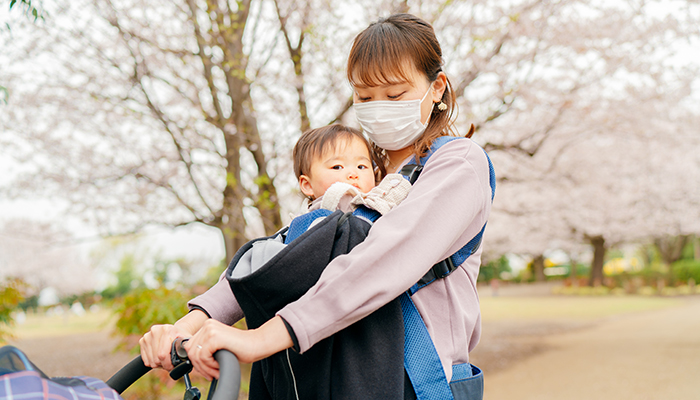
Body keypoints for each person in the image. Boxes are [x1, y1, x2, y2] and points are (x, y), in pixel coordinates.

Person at [140, 13, 493, 399]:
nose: (379, 108)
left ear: (437, 87)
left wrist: (264, 337)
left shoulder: (457, 164)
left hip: (417, 382)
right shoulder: (358, 175)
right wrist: (193, 320)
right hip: (339, 378)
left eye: (394, 95)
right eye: (364, 96)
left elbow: (387, 257)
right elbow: (289, 250)